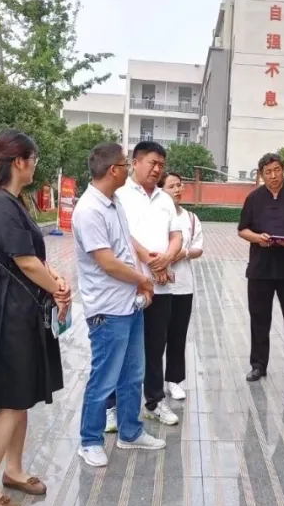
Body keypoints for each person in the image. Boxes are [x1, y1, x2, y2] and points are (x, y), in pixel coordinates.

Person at [0, 129, 69, 506]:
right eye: (34, 160)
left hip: (20, 307)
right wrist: (58, 291)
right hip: (7, 311)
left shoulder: (12, 201)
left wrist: (55, 278)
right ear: (19, 162)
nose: (35, 167)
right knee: (10, 401)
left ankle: (13, 470)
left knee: (21, 396)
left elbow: (32, 258)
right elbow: (25, 263)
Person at [74, 143, 166, 468]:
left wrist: (141, 283)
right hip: (107, 310)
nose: (128, 169)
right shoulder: (89, 210)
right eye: (126, 164)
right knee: (104, 378)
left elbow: (127, 249)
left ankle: (130, 432)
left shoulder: (115, 204)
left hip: (129, 305)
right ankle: (89, 441)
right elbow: (108, 263)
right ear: (113, 170)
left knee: (132, 375)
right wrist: (143, 281)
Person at [108, 140, 182, 428]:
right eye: (152, 163)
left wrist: (166, 258)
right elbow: (122, 235)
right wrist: (151, 261)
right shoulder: (120, 194)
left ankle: (153, 401)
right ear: (135, 163)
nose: (157, 169)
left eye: (161, 165)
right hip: (128, 286)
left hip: (161, 287)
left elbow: (176, 236)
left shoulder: (165, 199)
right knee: (121, 348)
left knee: (155, 346)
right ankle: (111, 406)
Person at [237, 152, 284, 387]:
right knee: (259, 318)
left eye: (277, 170)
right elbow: (242, 229)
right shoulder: (253, 198)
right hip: (260, 269)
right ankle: (258, 365)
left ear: (283, 170)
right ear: (261, 175)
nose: (273, 176)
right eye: (268, 172)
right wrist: (257, 238)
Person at [161, 171, 205, 402]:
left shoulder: (191, 218)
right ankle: (151, 382)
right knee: (155, 337)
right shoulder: (155, 215)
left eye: (179, 185)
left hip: (183, 286)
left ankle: (174, 380)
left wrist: (184, 252)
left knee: (178, 335)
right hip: (159, 285)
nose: (177, 190)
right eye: (171, 186)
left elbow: (198, 248)